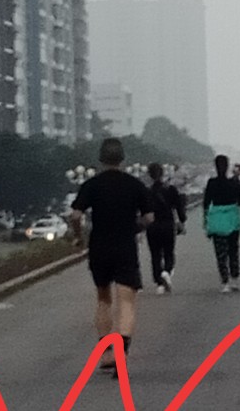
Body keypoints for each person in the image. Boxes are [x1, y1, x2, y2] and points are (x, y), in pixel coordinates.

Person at [70, 138, 154, 376]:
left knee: (103, 298)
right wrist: (134, 227)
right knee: (126, 301)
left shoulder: (91, 185)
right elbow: (149, 218)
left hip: (99, 247)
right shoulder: (134, 185)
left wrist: (78, 237)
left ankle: (106, 353)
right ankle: (122, 352)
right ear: (122, 159)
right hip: (125, 247)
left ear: (101, 159)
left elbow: (75, 215)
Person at [204, 154, 240, 292]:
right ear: (228, 166)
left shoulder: (211, 183)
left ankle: (225, 281)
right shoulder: (234, 183)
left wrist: (206, 223)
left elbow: (206, 204)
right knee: (233, 249)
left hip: (217, 219)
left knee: (220, 253)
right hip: (233, 218)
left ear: (215, 166)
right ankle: (235, 278)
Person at [146, 163, 187, 294]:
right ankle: (166, 272)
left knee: (155, 255)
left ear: (149, 175)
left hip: (152, 226)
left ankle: (159, 283)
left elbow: (142, 211)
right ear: (163, 174)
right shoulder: (171, 190)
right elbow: (179, 206)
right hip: (168, 224)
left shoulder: (147, 191)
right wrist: (182, 220)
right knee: (169, 252)